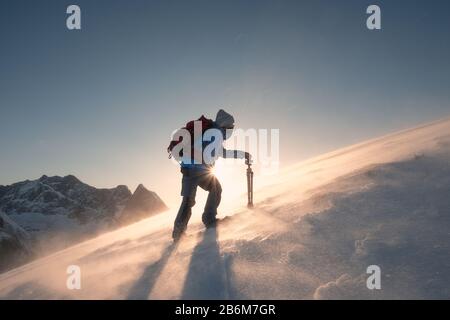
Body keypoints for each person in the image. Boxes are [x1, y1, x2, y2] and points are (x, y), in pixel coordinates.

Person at [169, 109, 251, 241]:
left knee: (194, 197)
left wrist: (242, 154)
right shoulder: (216, 133)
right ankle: (206, 220)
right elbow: (213, 154)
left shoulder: (212, 132)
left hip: (191, 168)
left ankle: (181, 231)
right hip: (196, 169)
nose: (231, 130)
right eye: (230, 127)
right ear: (224, 125)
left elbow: (221, 153)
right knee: (205, 193)